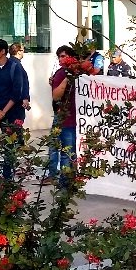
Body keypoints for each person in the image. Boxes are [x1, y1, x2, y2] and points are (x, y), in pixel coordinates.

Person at [0, 38, 27, 179]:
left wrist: (3, 112)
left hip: (12, 111)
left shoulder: (15, 66)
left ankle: (7, 178)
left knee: (9, 145)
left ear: (3, 51)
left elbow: (16, 93)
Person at [47, 45, 79, 188]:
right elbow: (56, 96)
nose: (61, 59)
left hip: (77, 118)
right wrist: (66, 79)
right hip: (65, 119)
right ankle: (62, 182)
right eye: (59, 56)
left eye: (64, 56)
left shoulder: (81, 73)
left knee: (70, 151)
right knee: (65, 150)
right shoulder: (61, 74)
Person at [9, 42, 31, 111]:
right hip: (17, 102)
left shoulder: (9, 63)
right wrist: (24, 97)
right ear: (18, 52)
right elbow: (19, 83)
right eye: (23, 50)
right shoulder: (16, 64)